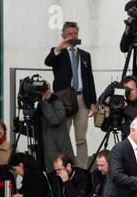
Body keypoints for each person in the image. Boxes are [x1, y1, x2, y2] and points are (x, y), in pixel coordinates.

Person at [44, 21, 96, 169]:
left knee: (81, 138)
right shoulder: (58, 53)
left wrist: (92, 101)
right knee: (62, 136)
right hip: (64, 99)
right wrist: (60, 46)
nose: (73, 37)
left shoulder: (85, 55)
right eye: (69, 34)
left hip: (81, 98)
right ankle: (62, 166)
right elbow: (48, 62)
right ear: (63, 35)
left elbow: (89, 78)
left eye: (75, 34)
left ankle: (82, 168)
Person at [101, 75, 137, 149]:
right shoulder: (120, 103)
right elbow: (105, 128)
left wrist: (126, 107)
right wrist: (107, 114)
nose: (130, 93)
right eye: (127, 90)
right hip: (130, 148)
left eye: (132, 90)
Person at [36, 82, 75, 173]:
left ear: (50, 90)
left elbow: (54, 119)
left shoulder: (58, 103)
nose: (43, 93)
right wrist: (18, 128)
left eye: (46, 89)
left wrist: (44, 102)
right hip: (48, 159)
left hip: (61, 160)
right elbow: (38, 132)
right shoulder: (41, 108)